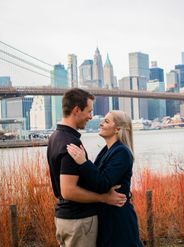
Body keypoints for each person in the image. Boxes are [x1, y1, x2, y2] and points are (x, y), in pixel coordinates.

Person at [47, 88, 127, 247]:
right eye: (89, 111)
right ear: (76, 110)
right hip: (78, 220)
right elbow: (68, 191)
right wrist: (104, 198)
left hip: (64, 218)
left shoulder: (55, 137)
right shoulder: (71, 143)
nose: (91, 117)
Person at [67, 110, 143, 247]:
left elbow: (102, 183)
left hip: (118, 220)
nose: (101, 123)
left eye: (106, 121)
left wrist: (83, 162)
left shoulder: (122, 152)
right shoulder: (107, 150)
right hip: (108, 217)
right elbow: (97, 182)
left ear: (117, 129)